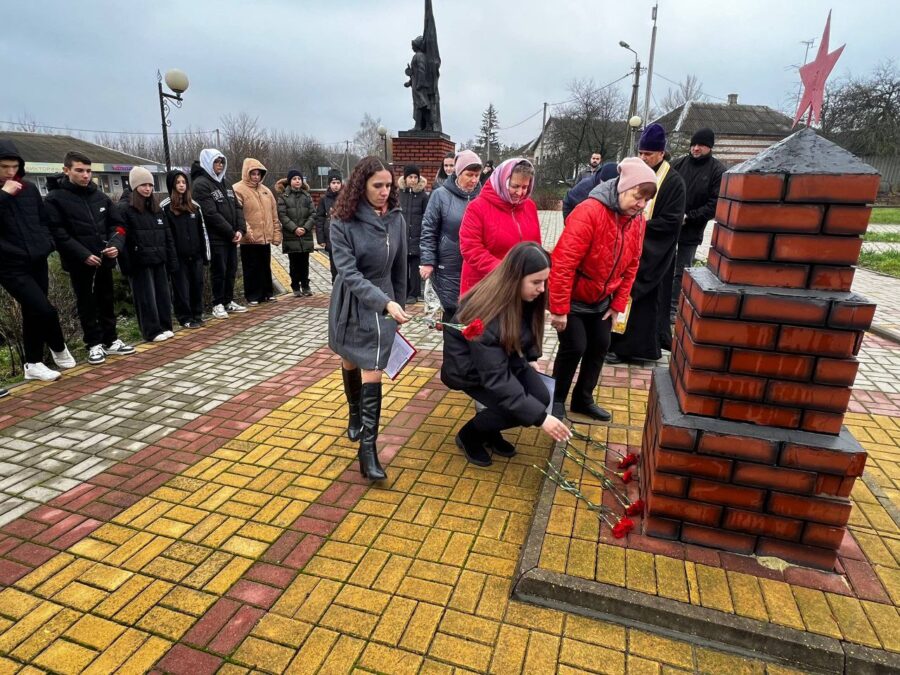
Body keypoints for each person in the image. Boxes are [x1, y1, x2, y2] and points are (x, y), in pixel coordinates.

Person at [442, 242, 571, 466]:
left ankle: (489, 429)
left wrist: (530, 358)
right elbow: (496, 378)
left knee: (540, 398)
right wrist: (542, 420)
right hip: (470, 371)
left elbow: (526, 328)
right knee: (516, 408)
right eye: (536, 282)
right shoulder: (485, 315)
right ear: (515, 278)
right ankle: (469, 435)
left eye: (544, 281)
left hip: (503, 359)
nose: (542, 289)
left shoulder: (523, 296)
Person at [548, 158, 657, 421]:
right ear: (622, 187)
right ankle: (555, 399)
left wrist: (618, 305)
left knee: (600, 345)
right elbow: (563, 262)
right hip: (574, 297)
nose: (641, 205)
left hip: (602, 299)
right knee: (575, 346)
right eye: (637, 197)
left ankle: (583, 399)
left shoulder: (637, 221)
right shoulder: (589, 211)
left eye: (646, 200)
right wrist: (559, 309)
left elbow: (632, 264)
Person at [328, 156, 409, 483]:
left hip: (386, 301)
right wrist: (385, 303)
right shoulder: (342, 221)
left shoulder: (397, 218)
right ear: (361, 186)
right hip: (353, 299)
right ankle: (354, 412)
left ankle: (368, 450)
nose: (384, 191)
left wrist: (399, 304)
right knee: (350, 360)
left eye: (389, 185)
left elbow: (400, 267)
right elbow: (348, 273)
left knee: (373, 369)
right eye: (378, 185)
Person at [45, 151, 135, 365]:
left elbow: (118, 225)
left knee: (107, 300)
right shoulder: (55, 199)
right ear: (66, 170)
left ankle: (111, 340)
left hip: (104, 260)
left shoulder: (100, 196)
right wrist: (83, 254)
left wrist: (115, 245)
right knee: (87, 304)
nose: (85, 175)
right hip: (80, 264)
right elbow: (58, 233)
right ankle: (94, 344)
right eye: (79, 170)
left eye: (88, 171)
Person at [608, 124, 686, 364]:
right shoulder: (635, 176)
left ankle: (636, 348)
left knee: (647, 303)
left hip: (655, 252)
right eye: (640, 153)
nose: (643, 158)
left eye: (648, 154)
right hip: (629, 246)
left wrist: (640, 226)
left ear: (661, 153)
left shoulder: (674, 182)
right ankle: (616, 344)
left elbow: (672, 221)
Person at [0, 140, 75, 381]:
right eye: (4, 167)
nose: (10, 172)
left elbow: (43, 220)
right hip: (9, 265)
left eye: (14, 166)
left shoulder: (29, 189)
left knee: (32, 311)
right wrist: (3, 195)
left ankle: (32, 363)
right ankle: (58, 345)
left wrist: (47, 243)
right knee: (45, 310)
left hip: (37, 258)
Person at [459, 158, 542, 297]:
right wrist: (507, 270)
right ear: (503, 181)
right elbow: (471, 249)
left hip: (518, 287)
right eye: (515, 186)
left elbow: (536, 246)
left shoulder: (529, 206)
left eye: (525, 187)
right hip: (485, 288)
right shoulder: (477, 207)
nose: (520, 192)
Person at [669, 127, 725, 321]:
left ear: (709, 147)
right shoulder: (678, 164)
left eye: (701, 145)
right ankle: (659, 303)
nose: (696, 148)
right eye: (693, 144)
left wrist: (690, 217)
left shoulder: (717, 171)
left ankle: (673, 308)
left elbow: (714, 203)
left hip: (692, 228)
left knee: (682, 269)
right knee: (663, 264)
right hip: (670, 224)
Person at [419, 150, 482, 319]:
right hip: (448, 265)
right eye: (469, 175)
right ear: (458, 172)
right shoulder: (440, 195)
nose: (474, 180)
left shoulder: (483, 197)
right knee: (452, 314)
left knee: (476, 314)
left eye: (477, 175)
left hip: (475, 266)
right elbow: (429, 229)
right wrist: (428, 261)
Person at [118, 167, 178, 342]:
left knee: (163, 296)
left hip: (159, 258)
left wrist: (171, 259)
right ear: (134, 186)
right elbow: (122, 238)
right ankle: (151, 331)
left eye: (150, 185)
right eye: (143, 185)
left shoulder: (156, 208)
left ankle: (165, 325)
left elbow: (167, 235)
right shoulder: (124, 208)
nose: (148, 189)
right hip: (139, 262)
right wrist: (127, 265)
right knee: (146, 298)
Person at [191, 149, 247, 319]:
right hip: (216, 238)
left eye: (222, 162)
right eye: (216, 162)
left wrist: (240, 229)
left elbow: (237, 207)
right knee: (219, 271)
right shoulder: (201, 184)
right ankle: (218, 303)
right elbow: (210, 213)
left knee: (231, 270)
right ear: (208, 163)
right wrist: (230, 232)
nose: (220, 165)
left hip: (232, 237)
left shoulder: (225, 182)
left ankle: (228, 300)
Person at [162, 170, 209, 328]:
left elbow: (202, 231)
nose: (181, 185)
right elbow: (167, 236)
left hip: (196, 255)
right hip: (178, 257)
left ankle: (197, 314)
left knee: (197, 285)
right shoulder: (166, 208)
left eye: (184, 182)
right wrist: (171, 258)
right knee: (182, 289)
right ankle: (185, 318)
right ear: (172, 185)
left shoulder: (195, 206)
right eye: (178, 182)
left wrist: (205, 254)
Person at [233, 158, 280, 305]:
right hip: (249, 239)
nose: (256, 177)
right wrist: (247, 231)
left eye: (258, 174)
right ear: (246, 173)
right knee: (251, 268)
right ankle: (253, 296)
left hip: (264, 237)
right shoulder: (237, 189)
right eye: (253, 174)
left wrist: (276, 233)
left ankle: (267, 293)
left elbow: (274, 213)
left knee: (265, 266)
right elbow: (239, 214)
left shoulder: (266, 191)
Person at [276, 169, 315, 297]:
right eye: (294, 179)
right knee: (294, 263)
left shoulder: (307, 196)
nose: (297, 181)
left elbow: (313, 214)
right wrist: (294, 228)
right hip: (291, 235)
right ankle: (295, 286)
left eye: (299, 179)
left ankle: (305, 285)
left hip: (305, 235)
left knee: (305, 262)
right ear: (289, 181)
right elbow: (282, 215)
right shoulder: (284, 197)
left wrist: (305, 228)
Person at [398, 164, 430, 304]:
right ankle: (403, 292)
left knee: (415, 267)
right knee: (402, 267)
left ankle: (414, 293)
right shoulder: (399, 194)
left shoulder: (423, 196)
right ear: (405, 178)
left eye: (415, 177)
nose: (413, 180)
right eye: (410, 177)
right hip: (402, 237)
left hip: (417, 237)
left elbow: (427, 216)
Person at [314, 169, 343, 282]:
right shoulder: (324, 199)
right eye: (333, 183)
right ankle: (335, 288)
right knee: (334, 268)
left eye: (338, 183)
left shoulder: (346, 197)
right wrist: (321, 238)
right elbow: (319, 219)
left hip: (344, 237)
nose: (336, 185)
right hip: (331, 237)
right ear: (329, 184)